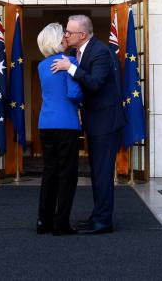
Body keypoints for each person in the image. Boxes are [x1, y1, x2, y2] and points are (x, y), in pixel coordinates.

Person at [51, 14, 126, 235]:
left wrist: (69, 68)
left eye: (68, 32)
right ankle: (98, 216)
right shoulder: (77, 52)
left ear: (82, 35)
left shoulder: (101, 51)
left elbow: (94, 83)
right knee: (97, 172)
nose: (65, 35)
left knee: (102, 173)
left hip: (106, 123)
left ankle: (103, 222)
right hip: (94, 121)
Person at [35, 22, 83, 236]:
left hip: (45, 123)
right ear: (57, 39)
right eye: (63, 34)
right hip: (67, 124)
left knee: (50, 173)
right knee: (67, 175)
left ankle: (43, 222)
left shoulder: (41, 66)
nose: (66, 37)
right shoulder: (69, 61)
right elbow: (74, 93)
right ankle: (60, 224)